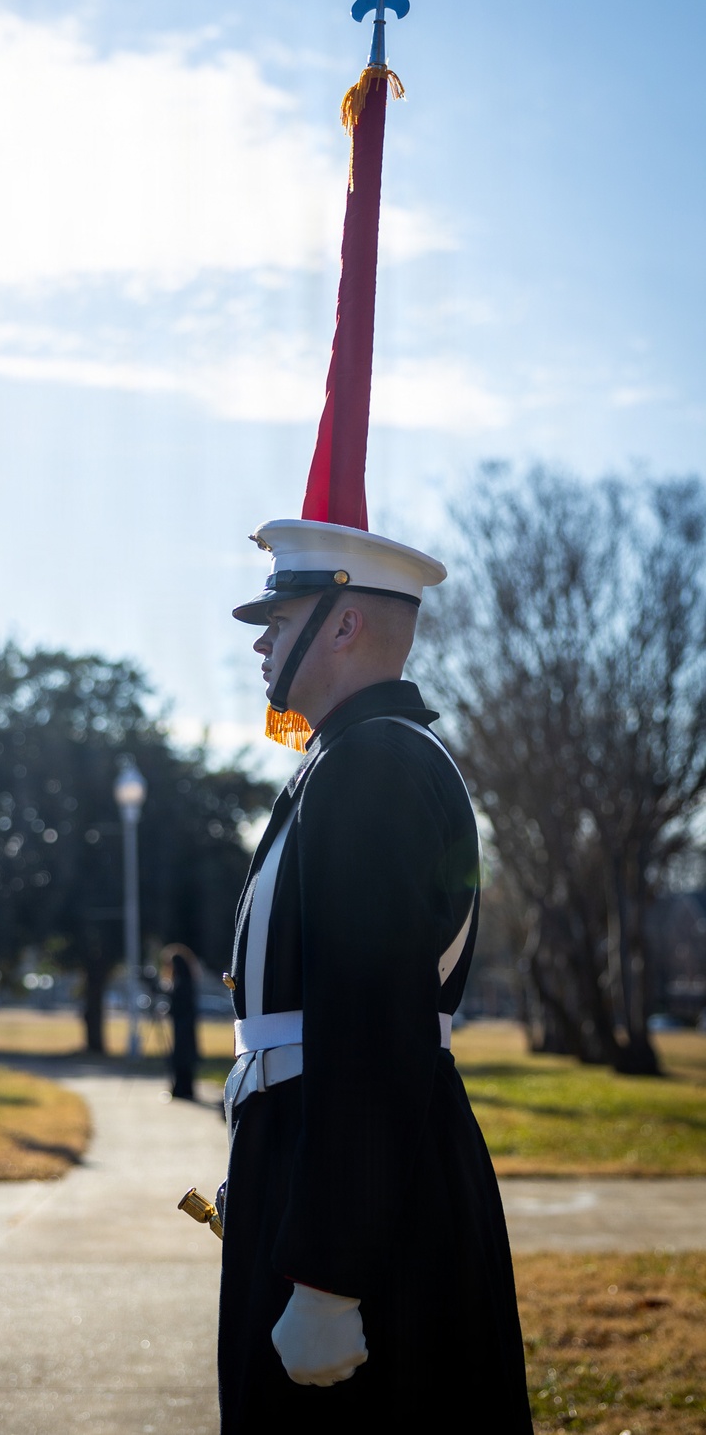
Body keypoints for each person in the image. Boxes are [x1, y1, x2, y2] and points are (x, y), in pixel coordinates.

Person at [217, 517, 533, 1433]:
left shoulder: (375, 767)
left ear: (345, 626)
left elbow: (372, 1027)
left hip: (366, 1207)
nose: (262, 641)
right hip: (327, 1164)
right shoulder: (348, 761)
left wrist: (328, 1274)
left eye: (281, 617)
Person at [159, 944, 200, 1101]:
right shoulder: (186, 980)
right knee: (182, 1057)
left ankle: (183, 1089)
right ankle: (182, 1088)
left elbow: (178, 1002)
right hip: (184, 1026)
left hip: (183, 1027)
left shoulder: (182, 982)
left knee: (181, 1057)